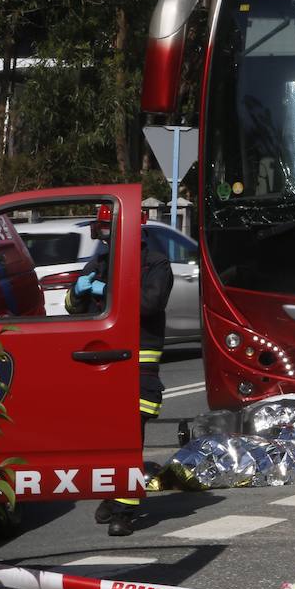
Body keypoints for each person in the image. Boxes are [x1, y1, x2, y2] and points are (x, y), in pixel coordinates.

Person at [68, 205, 174, 536]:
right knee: (106, 437)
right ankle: (113, 495)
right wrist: (78, 291)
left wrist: (108, 291)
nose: (98, 235)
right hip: (103, 364)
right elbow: (73, 308)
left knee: (130, 437)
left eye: (102, 228)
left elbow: (149, 304)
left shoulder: (154, 264)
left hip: (137, 363)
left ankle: (125, 511)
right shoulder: (99, 263)